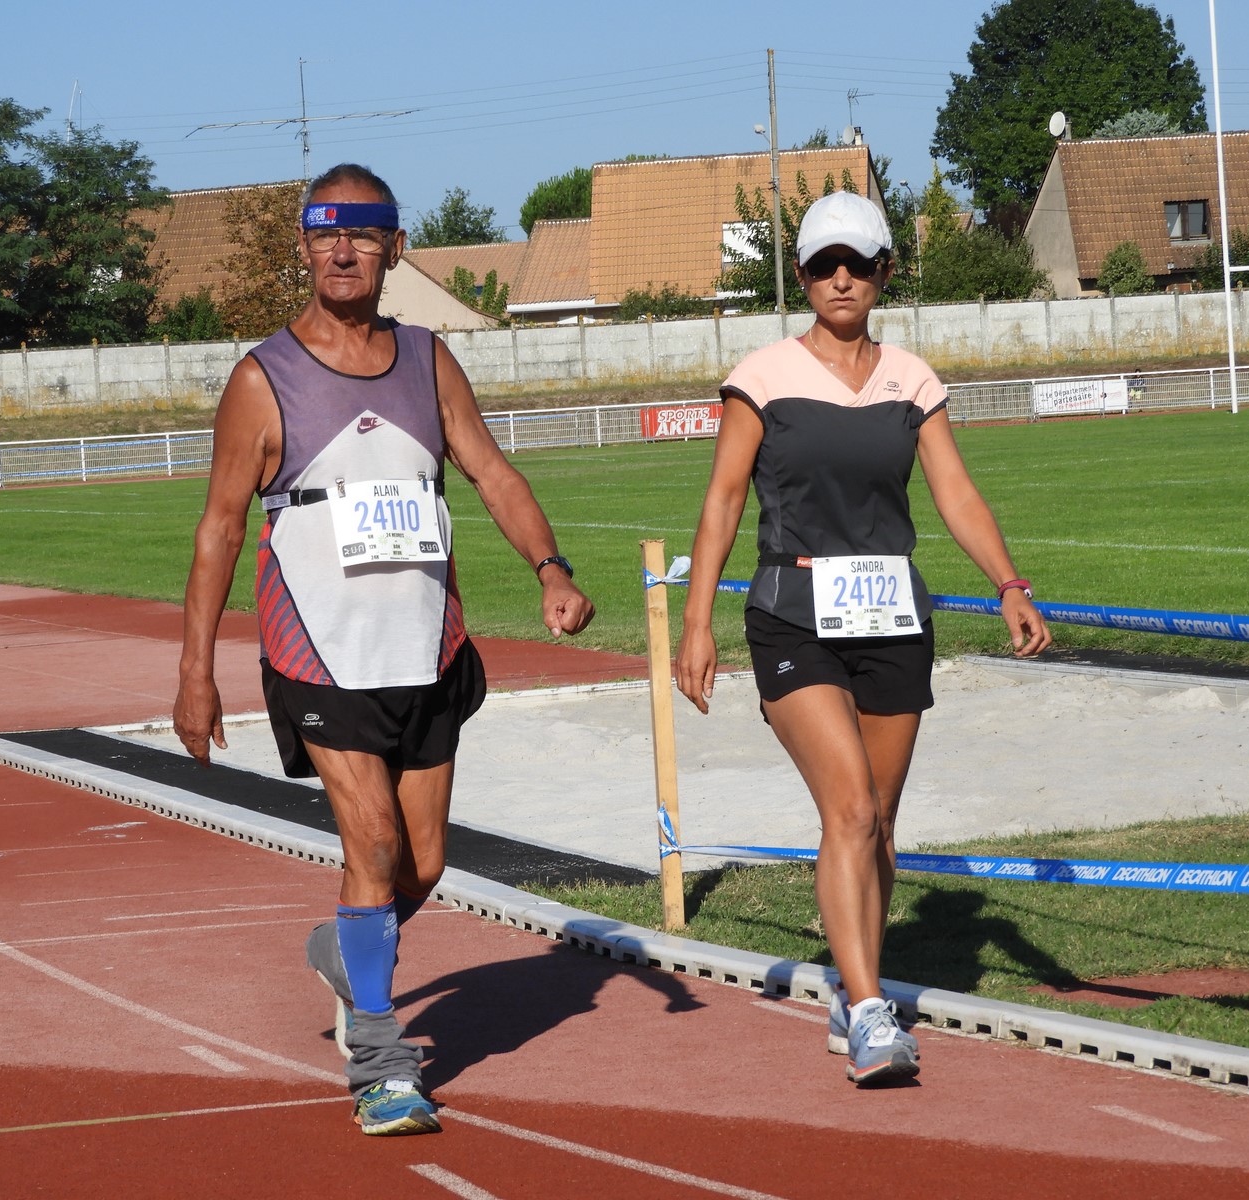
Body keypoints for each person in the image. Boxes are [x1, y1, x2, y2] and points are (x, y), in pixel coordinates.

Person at [173, 163, 594, 1137]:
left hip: (426, 649)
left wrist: (551, 569)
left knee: (423, 864)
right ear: (303, 247)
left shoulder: (428, 361)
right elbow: (220, 529)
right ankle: (381, 1062)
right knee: (371, 845)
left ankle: (346, 948)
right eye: (325, 233)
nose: (342, 251)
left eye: (362, 234)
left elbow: (490, 471)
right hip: (319, 655)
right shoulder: (262, 379)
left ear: (395, 249)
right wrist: (195, 673)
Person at [673, 190, 1051, 1087]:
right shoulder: (762, 377)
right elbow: (722, 501)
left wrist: (1010, 584)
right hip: (791, 618)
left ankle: (855, 991)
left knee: (877, 821)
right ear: (802, 275)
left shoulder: (913, 382)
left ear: (884, 272)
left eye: (857, 264)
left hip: (892, 621)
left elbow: (955, 492)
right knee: (846, 807)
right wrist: (696, 622)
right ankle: (872, 1008)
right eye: (822, 265)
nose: (839, 279)